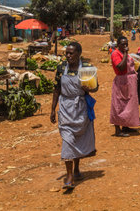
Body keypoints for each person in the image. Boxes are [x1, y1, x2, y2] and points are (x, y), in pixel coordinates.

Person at [50, 42, 97, 189]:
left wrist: (88, 87)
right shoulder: (61, 68)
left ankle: (77, 168)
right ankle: (69, 176)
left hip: (80, 108)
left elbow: (95, 87)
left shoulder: (87, 67)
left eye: (71, 53)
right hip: (65, 107)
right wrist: (53, 109)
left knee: (78, 137)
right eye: (67, 53)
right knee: (67, 140)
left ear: (79, 54)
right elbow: (57, 89)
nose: (68, 56)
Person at [110, 36, 140, 137]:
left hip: (129, 82)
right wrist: (126, 53)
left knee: (129, 104)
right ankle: (117, 129)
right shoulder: (115, 54)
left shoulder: (123, 53)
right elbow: (121, 66)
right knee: (119, 104)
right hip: (122, 81)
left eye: (126, 44)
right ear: (118, 45)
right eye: (123, 44)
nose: (125, 46)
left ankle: (126, 125)